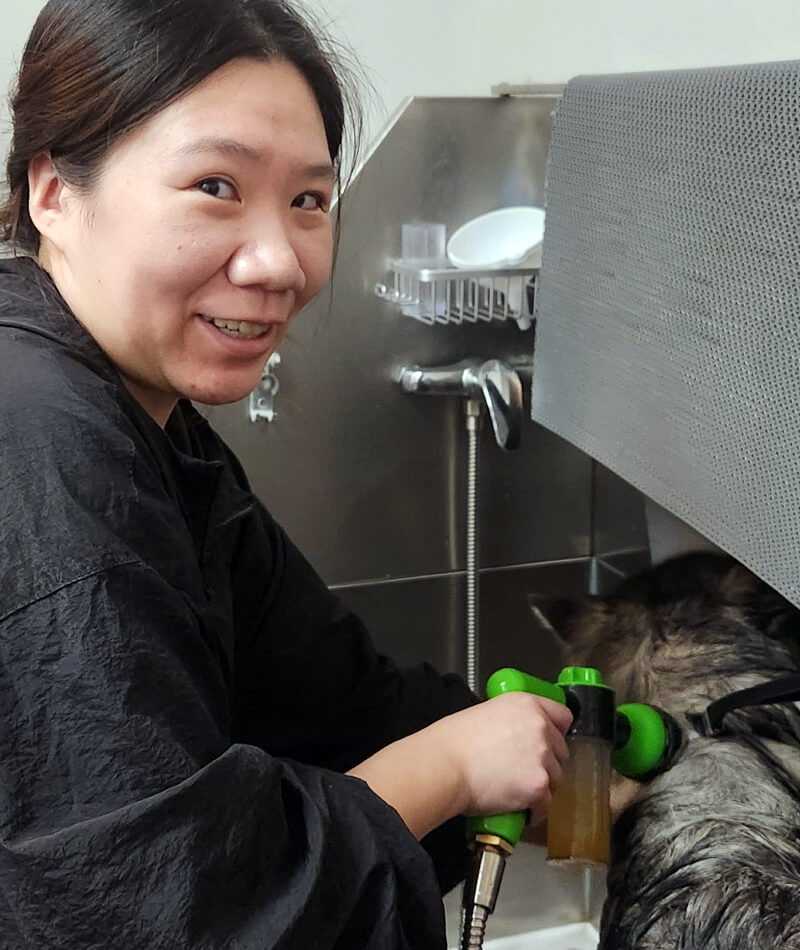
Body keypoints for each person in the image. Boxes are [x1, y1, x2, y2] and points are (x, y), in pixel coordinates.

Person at [0, 1, 572, 947]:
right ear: (54, 193)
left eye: (309, 200)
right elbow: (171, 910)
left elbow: (331, 696)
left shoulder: (147, 419)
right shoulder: (45, 450)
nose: (279, 262)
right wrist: (451, 770)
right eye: (216, 185)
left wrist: (560, 744)